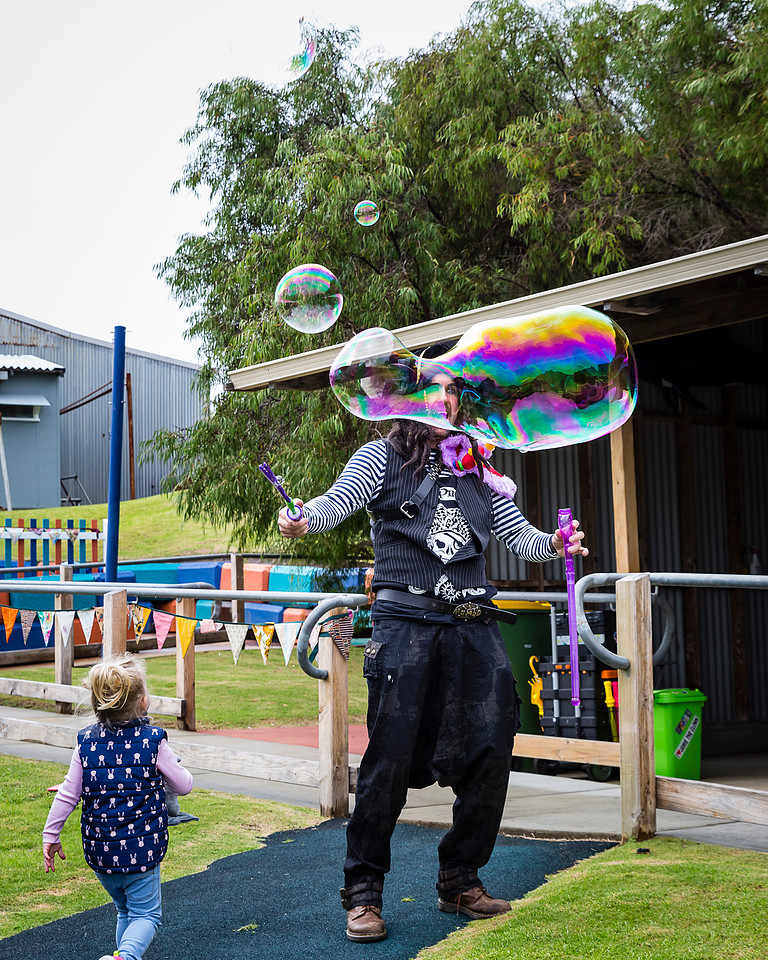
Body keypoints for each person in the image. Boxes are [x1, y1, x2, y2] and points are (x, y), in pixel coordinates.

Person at [279, 370, 588, 944]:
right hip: (405, 625)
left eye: (452, 391)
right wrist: (298, 517)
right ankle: (364, 892)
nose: (446, 399)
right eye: (436, 388)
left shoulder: (480, 469)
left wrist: (556, 543)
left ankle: (461, 879)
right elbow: (330, 507)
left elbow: (522, 540)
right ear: (410, 399)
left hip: (473, 623)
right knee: (389, 760)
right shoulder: (381, 457)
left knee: (492, 749)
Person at [42, 654, 193, 960]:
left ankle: (120, 955)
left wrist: (51, 835)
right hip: (141, 851)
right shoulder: (153, 741)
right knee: (146, 915)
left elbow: (68, 794)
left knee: (125, 910)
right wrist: (177, 768)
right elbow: (183, 786)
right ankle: (125, 958)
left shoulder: (86, 743)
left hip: (101, 853)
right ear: (143, 701)